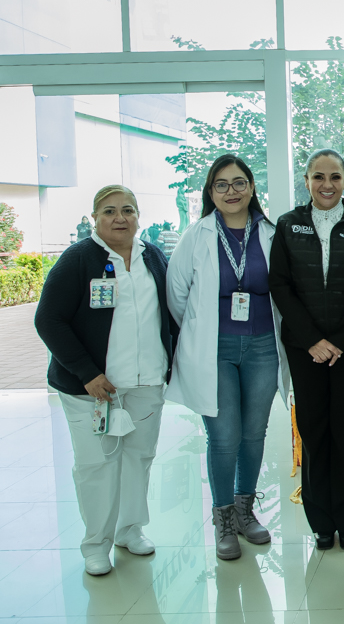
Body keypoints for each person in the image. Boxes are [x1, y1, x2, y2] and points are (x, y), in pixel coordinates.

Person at [35, 185, 174, 576]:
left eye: (128, 209)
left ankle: (129, 530)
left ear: (138, 215)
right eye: (109, 211)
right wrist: (87, 373)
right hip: (94, 389)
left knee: (139, 459)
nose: (120, 218)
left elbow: (168, 313)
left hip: (146, 383)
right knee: (97, 464)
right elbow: (48, 320)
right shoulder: (79, 259)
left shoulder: (153, 257)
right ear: (94, 218)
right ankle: (96, 544)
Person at [166, 154, 290, 561]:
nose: (231, 191)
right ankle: (223, 519)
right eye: (221, 184)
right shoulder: (197, 235)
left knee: (254, 434)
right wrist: (204, 332)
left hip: (263, 348)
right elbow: (177, 296)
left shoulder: (272, 233)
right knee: (224, 437)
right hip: (214, 349)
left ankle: (244, 510)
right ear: (210, 192)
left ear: (252, 188)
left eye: (239, 183)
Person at [269, 149, 344, 551]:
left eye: (335, 177)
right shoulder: (288, 225)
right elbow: (280, 285)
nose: (327, 185)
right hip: (306, 349)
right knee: (315, 429)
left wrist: (339, 341)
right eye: (319, 176)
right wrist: (313, 341)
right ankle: (320, 519)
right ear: (307, 181)